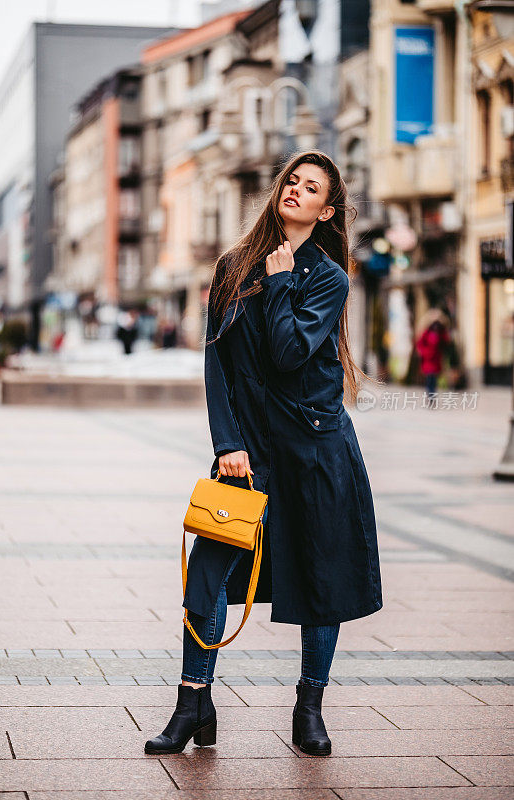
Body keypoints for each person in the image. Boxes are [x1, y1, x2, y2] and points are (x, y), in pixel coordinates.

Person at [144, 150, 384, 758]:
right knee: (206, 574)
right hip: (247, 455)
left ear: (327, 211)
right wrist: (228, 443)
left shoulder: (329, 277)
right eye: (293, 182)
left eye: (313, 189)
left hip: (316, 448)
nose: (297, 192)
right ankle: (193, 700)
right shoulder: (233, 266)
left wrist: (280, 283)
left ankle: (310, 703)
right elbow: (216, 362)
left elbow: (286, 355)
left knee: (319, 579)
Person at [415, 310, 451, 397]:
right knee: (429, 378)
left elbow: (446, 341)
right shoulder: (426, 333)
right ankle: (430, 395)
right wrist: (424, 352)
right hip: (428, 359)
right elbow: (420, 344)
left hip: (436, 359)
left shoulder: (441, 332)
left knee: (433, 379)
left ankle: (432, 394)